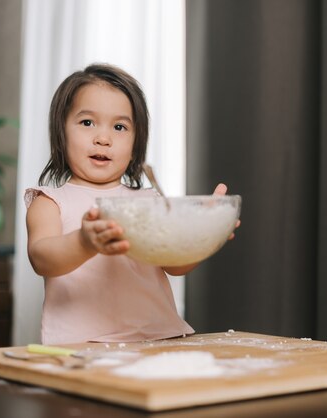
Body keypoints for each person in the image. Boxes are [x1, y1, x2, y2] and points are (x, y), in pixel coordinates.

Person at [25, 63, 237, 344]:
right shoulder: (51, 202)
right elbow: (42, 258)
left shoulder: (149, 201)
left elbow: (173, 264)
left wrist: (203, 235)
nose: (103, 139)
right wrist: (84, 242)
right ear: (61, 132)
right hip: (83, 345)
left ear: (136, 142)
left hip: (160, 339)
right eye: (87, 123)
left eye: (120, 127)